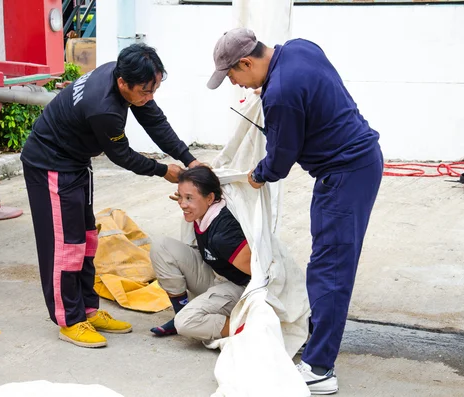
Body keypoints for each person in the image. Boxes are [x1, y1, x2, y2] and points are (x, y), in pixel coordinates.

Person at [207, 28, 384, 394]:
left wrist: (258, 175)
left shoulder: (281, 94)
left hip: (344, 174)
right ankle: (319, 346)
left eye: (233, 76)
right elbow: (306, 93)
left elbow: (281, 159)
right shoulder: (300, 49)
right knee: (328, 264)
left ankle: (320, 368)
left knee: (330, 269)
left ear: (246, 62)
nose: (235, 85)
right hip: (357, 163)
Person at [20, 43, 201, 348]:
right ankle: (70, 320)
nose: (150, 96)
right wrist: (163, 171)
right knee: (66, 247)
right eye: (145, 90)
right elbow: (122, 156)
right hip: (49, 165)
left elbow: (154, 119)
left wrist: (189, 158)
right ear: (122, 83)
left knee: (87, 240)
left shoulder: (125, 75)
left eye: (154, 88)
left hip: (75, 163)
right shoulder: (104, 108)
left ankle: (89, 310)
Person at [149, 166, 251, 340]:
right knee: (161, 246)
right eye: (180, 197)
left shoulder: (224, 235)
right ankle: (180, 312)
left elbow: (261, 275)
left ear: (210, 198)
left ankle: (253, 328)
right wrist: (189, 199)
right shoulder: (203, 209)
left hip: (239, 287)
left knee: (186, 323)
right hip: (215, 275)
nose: (182, 204)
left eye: (189, 198)